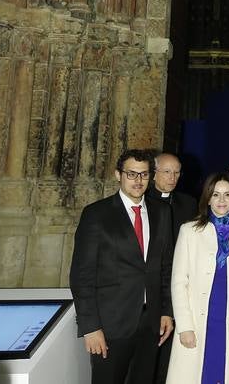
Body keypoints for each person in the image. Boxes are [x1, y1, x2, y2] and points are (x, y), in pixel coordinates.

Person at [69, 148, 174, 384]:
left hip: (150, 323)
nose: (138, 181)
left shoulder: (162, 212)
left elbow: (165, 267)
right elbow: (81, 276)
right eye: (131, 174)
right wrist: (90, 327)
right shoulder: (96, 214)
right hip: (110, 325)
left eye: (144, 175)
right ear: (118, 175)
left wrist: (166, 310)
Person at [166, 171, 229, 384]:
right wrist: (185, 326)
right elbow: (179, 282)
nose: (221, 201)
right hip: (198, 318)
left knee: (227, 374)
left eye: (227, 195)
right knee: (197, 374)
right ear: (207, 198)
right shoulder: (189, 231)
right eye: (215, 195)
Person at [151, 153, 198, 384]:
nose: (173, 177)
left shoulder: (188, 203)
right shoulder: (144, 201)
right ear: (154, 173)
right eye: (167, 172)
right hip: (150, 288)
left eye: (177, 172)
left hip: (180, 285)